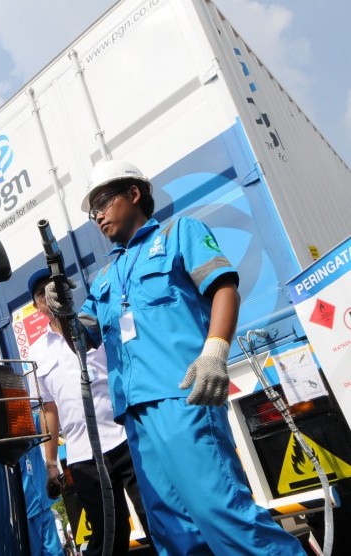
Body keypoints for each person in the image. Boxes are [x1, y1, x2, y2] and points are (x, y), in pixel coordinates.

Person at [45, 159, 305, 554]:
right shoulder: (104, 278)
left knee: (220, 511)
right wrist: (62, 313)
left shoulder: (180, 232)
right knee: (173, 534)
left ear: (133, 194)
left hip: (182, 395)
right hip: (135, 415)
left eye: (102, 200)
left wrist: (216, 350)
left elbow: (224, 288)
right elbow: (83, 340)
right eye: (91, 208)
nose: (96, 214)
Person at [27, 268, 150, 556]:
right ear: (36, 306)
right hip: (84, 456)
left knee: (155, 516)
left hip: (126, 438)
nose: (49, 295)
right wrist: (50, 463)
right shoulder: (36, 353)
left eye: (53, 287)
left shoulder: (94, 327)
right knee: (109, 536)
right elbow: (48, 409)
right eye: (41, 292)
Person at [20, 412, 65, 556]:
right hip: (25, 513)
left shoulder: (26, 418)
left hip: (42, 506)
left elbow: (48, 417)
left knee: (56, 553)